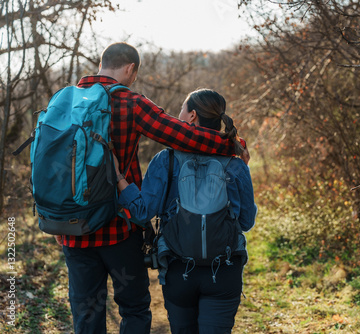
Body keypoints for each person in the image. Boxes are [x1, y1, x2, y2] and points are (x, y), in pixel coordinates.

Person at [58, 43, 248, 334]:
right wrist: (232, 145)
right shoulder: (131, 102)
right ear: (130, 69)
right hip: (119, 230)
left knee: (86, 314)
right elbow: (184, 136)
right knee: (133, 309)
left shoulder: (63, 100)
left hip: (72, 229)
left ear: (101, 63)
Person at [115, 88, 257, 334]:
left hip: (179, 271)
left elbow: (140, 213)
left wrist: (119, 177)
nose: (178, 115)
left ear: (191, 116)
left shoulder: (165, 160)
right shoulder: (236, 163)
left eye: (181, 110)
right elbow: (245, 222)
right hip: (224, 271)